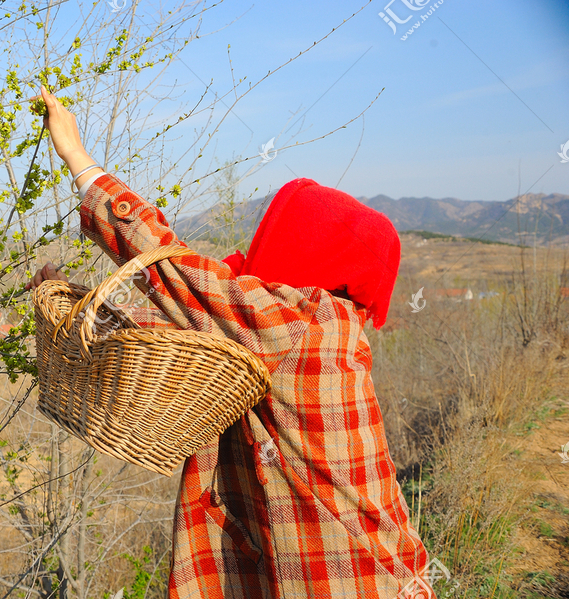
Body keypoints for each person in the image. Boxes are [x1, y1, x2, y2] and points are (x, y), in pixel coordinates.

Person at [26, 86, 436, 599]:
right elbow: (170, 345)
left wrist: (77, 157)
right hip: (367, 573)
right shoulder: (317, 327)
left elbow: (173, 268)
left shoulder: (301, 323)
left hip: (350, 579)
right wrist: (82, 310)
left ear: (303, 243)